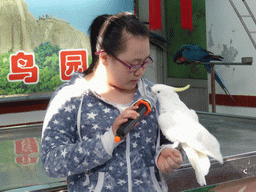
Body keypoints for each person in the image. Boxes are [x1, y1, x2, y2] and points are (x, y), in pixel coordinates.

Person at [41, 12, 183, 192]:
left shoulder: (154, 94)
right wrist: (107, 140)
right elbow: (51, 162)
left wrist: (167, 154)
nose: (140, 72)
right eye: (133, 64)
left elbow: (174, 139)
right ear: (104, 57)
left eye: (145, 61)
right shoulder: (70, 98)